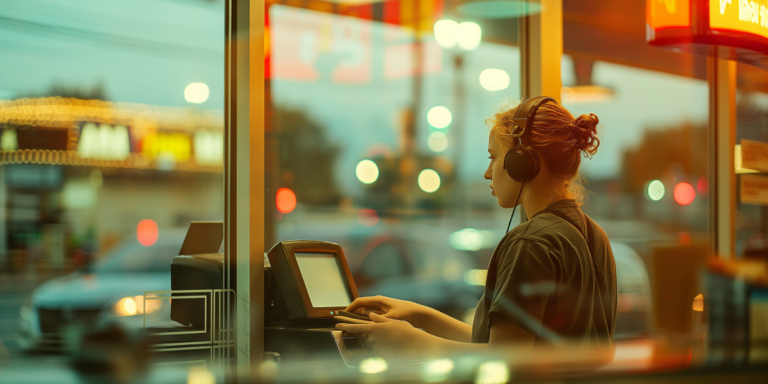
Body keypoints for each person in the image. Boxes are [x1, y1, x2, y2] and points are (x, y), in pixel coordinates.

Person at [336, 96, 617, 359]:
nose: (487, 172)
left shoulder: (531, 242)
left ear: (522, 161)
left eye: (493, 157)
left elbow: (503, 360)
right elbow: (505, 341)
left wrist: (409, 341)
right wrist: (421, 317)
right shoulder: (593, 235)